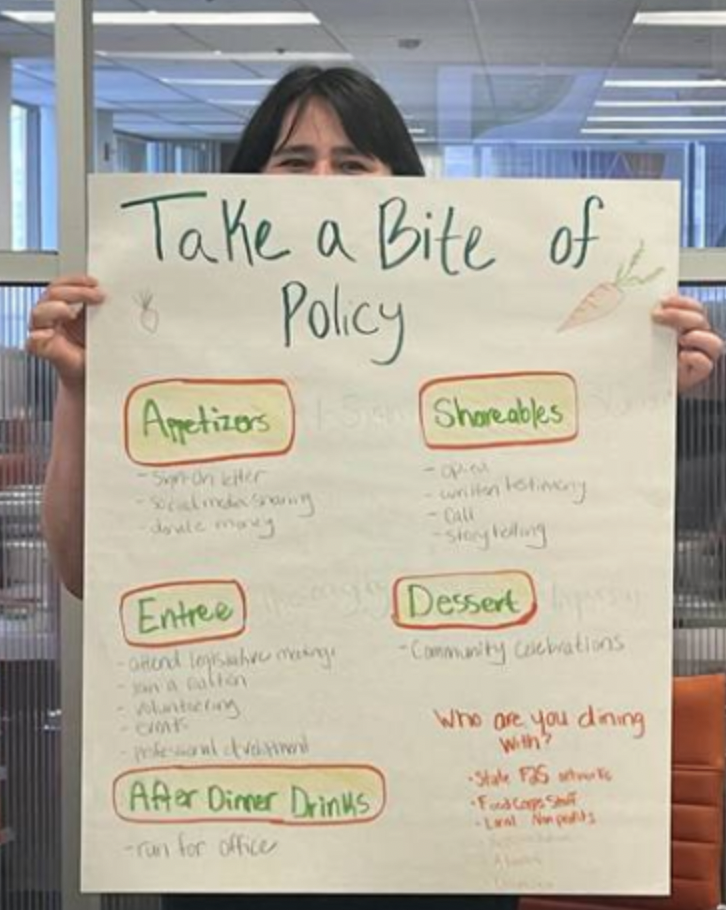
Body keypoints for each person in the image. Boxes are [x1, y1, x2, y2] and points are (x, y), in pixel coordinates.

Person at [27, 66, 725, 910]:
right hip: (246, 808)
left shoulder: (475, 341)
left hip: (446, 812)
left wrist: (636, 388)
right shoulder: (181, 350)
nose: (323, 183)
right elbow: (80, 568)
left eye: (353, 162)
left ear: (401, 186)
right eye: (294, 161)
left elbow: (562, 518)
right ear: (246, 184)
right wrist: (82, 390)